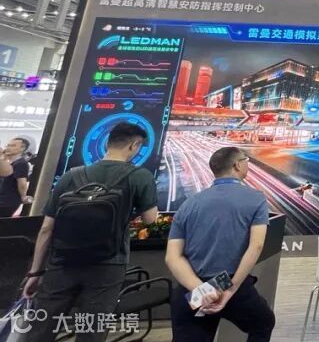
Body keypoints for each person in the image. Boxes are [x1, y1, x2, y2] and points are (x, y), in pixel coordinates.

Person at [23, 123, 158, 342]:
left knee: (41, 328)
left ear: (107, 142)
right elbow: (150, 219)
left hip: (62, 263)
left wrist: (35, 272)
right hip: (109, 264)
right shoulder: (139, 176)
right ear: (134, 145)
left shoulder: (70, 176)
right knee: (92, 329)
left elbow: (47, 228)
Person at [166, 147, 274, 341]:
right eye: (246, 160)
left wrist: (203, 290)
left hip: (192, 286)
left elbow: (173, 257)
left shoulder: (189, 204)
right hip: (227, 282)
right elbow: (256, 246)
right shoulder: (256, 199)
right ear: (238, 165)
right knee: (263, 323)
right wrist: (231, 289)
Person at [1, 136, 33, 217]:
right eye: (8, 145)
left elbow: (22, 183)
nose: (8, 148)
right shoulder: (8, 162)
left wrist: (23, 196)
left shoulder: (21, 163)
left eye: (13, 146)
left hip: (7, 202)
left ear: (22, 148)